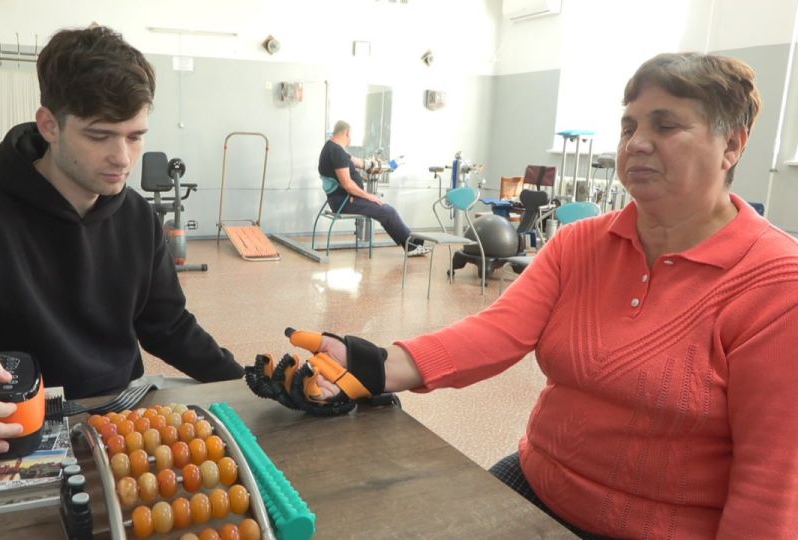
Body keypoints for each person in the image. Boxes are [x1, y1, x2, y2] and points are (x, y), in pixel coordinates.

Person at [260, 53, 798, 538]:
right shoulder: (582, 243)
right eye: (629, 126)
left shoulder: (776, 283)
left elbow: (769, 483)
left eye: (666, 125)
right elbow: (497, 331)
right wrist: (374, 364)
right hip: (539, 485)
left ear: (732, 143)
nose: (636, 143)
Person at [0, 26, 243, 464]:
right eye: (99, 135)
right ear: (49, 125)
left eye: (135, 135)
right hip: (13, 435)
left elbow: (168, 325)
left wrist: (245, 383)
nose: (123, 158)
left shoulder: (138, 218)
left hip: (121, 421)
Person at [318, 120, 430, 256]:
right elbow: (348, 185)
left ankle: (410, 240)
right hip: (345, 201)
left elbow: (356, 161)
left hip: (340, 199)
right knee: (387, 211)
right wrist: (369, 196)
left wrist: (372, 164)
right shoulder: (337, 152)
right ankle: (411, 246)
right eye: (351, 135)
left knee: (385, 211)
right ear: (347, 133)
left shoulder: (331, 147)